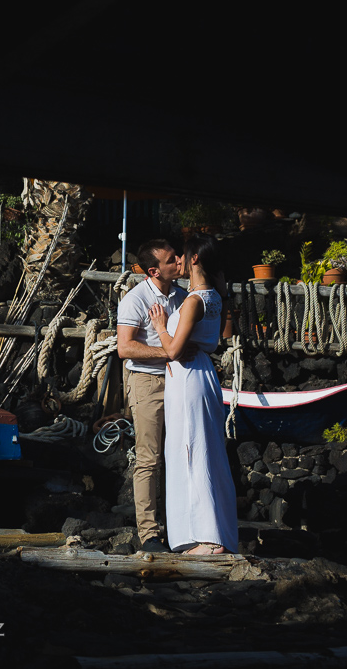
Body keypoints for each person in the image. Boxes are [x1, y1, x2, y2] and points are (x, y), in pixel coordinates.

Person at [147, 235, 238, 555]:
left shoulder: (193, 301)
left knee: (192, 450)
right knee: (197, 450)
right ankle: (200, 534)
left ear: (196, 258)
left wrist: (160, 324)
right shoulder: (214, 295)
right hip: (199, 373)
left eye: (183, 257)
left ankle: (210, 538)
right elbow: (208, 337)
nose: (179, 262)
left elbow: (171, 350)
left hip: (188, 380)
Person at [116, 239, 187, 552]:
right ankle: (149, 534)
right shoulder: (136, 298)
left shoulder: (183, 296)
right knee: (149, 458)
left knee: (182, 454)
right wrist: (167, 352)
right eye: (172, 259)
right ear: (155, 270)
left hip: (180, 381)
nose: (179, 261)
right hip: (147, 382)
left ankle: (182, 529)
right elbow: (124, 347)